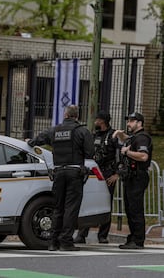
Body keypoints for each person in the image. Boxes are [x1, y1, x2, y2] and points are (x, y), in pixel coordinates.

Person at [27, 105, 94, 251]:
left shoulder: (54, 130)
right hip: (74, 173)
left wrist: (30, 142)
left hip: (58, 173)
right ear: (77, 116)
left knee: (58, 208)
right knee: (71, 208)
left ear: (65, 115)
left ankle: (53, 242)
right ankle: (66, 242)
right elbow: (90, 152)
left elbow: (36, 140)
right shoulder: (82, 131)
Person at [74, 111, 120, 244]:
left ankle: (103, 235)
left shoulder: (112, 136)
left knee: (106, 203)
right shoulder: (93, 136)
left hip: (107, 174)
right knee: (90, 202)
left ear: (103, 121)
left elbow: (119, 156)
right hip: (93, 173)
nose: (95, 122)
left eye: (97, 120)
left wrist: (117, 174)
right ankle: (82, 234)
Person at [113, 112, 152, 249]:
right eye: (128, 121)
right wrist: (119, 134)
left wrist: (126, 152)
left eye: (131, 121)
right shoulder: (135, 137)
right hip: (131, 177)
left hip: (138, 177)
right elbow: (128, 139)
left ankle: (138, 240)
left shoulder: (142, 138)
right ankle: (133, 237)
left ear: (139, 123)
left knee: (135, 209)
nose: (128, 123)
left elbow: (143, 156)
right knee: (130, 209)